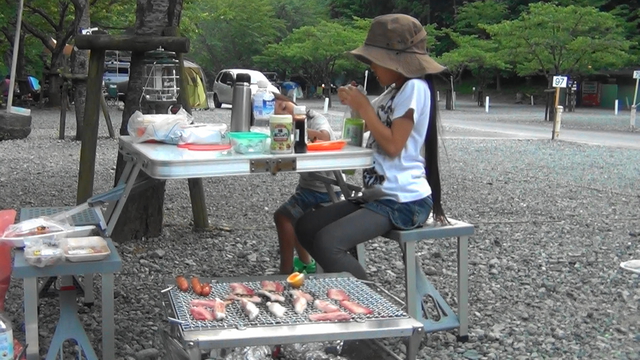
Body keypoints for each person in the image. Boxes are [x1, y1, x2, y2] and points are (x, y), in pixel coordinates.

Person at [294, 13, 448, 280]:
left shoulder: (415, 88)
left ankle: (375, 307)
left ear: (397, 61)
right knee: (307, 226)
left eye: (375, 61)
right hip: (378, 195)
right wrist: (356, 106)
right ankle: (347, 286)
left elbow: (393, 146)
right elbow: (361, 130)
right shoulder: (393, 92)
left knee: (327, 242)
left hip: (404, 199)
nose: (372, 68)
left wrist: (364, 107)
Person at [272, 93, 340, 274]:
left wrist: (293, 126)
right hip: (308, 185)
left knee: (283, 216)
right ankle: (305, 262)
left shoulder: (315, 119)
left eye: (285, 107)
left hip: (324, 187)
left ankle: (285, 271)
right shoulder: (280, 128)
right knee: (296, 217)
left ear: (294, 102)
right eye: (278, 112)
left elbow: (325, 137)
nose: (285, 114)